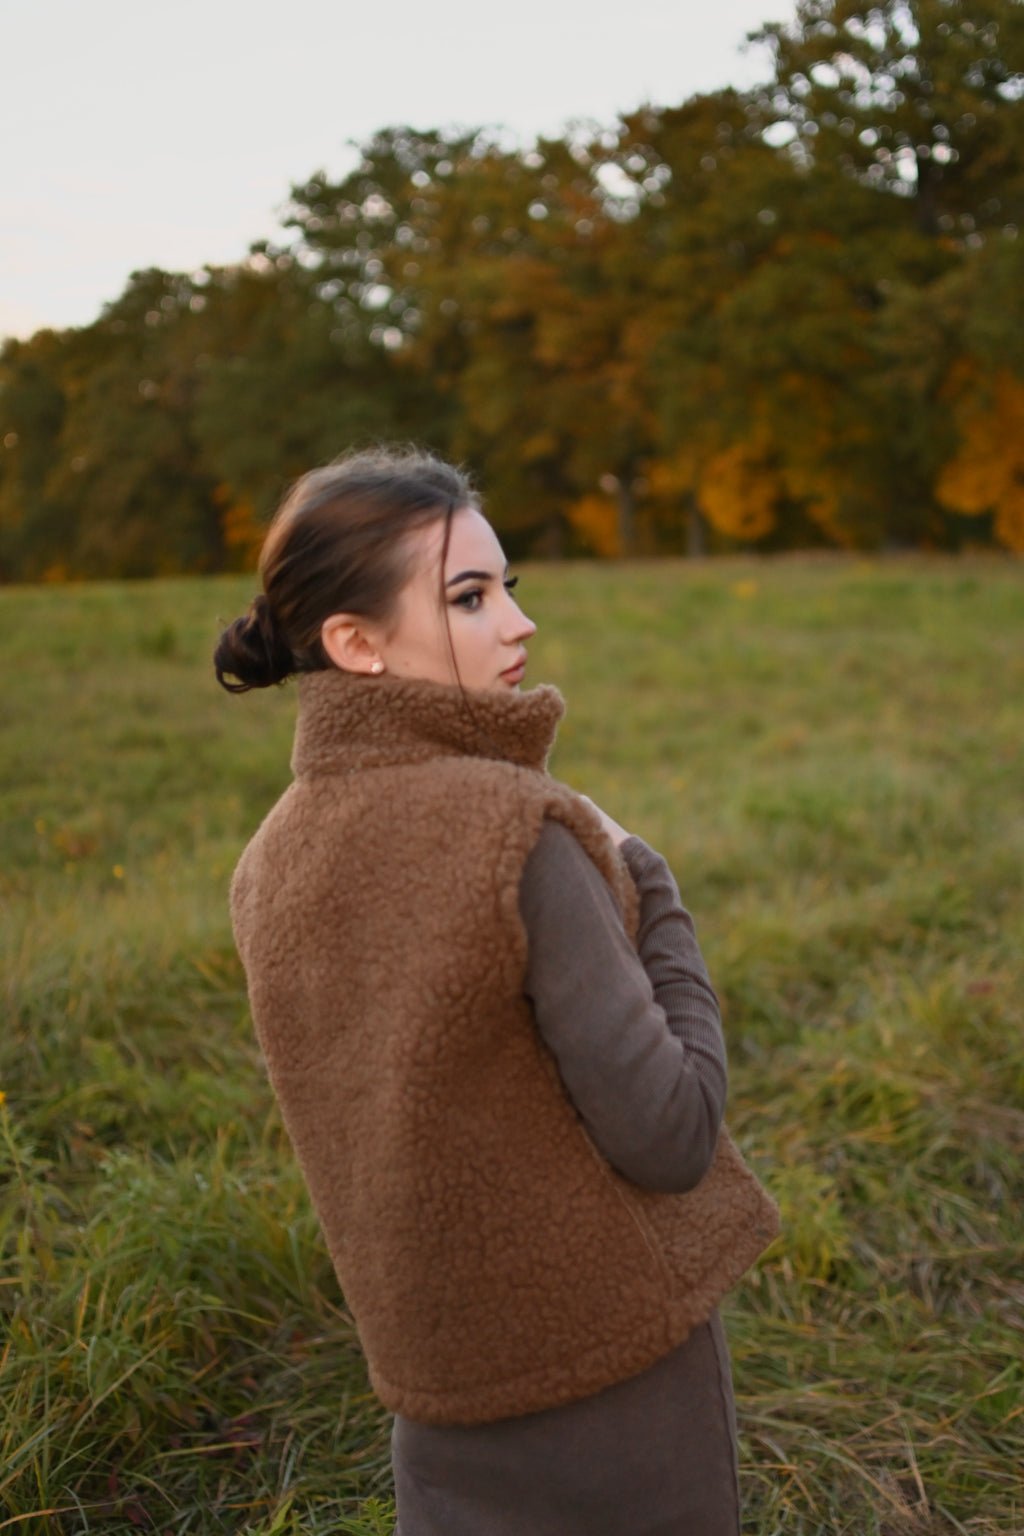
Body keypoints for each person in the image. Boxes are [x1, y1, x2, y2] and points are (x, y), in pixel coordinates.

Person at [215, 446, 779, 1536]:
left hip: (432, 1386)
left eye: (508, 588)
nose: (517, 625)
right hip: (613, 1380)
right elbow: (670, 1137)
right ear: (353, 642)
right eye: (468, 598)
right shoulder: (514, 832)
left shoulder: (265, 862)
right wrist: (649, 883)